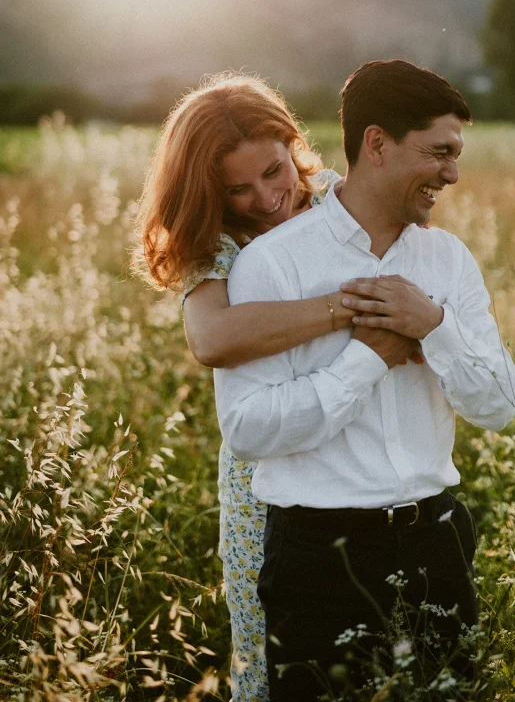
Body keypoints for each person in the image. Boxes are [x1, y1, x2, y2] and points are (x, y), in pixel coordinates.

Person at [215, 59, 515, 701]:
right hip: (318, 555)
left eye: (456, 154)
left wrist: (433, 326)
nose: (452, 174)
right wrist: (369, 356)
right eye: (438, 152)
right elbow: (247, 430)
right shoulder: (273, 264)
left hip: (437, 543)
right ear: (377, 143)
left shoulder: (448, 259)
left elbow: (499, 405)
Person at [133, 72, 426, 702]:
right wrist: (349, 307)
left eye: (274, 171)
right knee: (276, 661)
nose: (267, 199)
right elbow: (213, 339)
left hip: (366, 463)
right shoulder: (220, 241)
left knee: (384, 656)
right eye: (237, 189)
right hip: (266, 477)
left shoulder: (341, 205)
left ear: (294, 145)